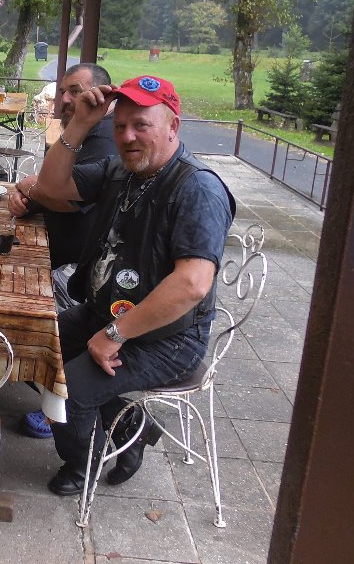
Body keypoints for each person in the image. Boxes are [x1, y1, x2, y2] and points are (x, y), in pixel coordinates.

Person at [34, 75, 235, 497]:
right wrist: (79, 124)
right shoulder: (121, 171)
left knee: (71, 390)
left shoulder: (197, 189)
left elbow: (192, 284)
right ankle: (132, 425)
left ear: (173, 126)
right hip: (106, 310)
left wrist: (114, 334)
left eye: (141, 125)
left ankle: (83, 464)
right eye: (120, 126)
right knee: (36, 343)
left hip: (168, 336)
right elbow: (49, 188)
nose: (127, 137)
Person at [9, 63, 117, 440]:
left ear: (102, 95)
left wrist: (30, 189)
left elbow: (65, 199)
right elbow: (51, 187)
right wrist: (27, 195)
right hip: (58, 252)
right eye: (64, 91)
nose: (66, 99)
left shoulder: (103, 139)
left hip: (74, 270)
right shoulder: (82, 133)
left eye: (76, 91)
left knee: (19, 319)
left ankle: (62, 405)